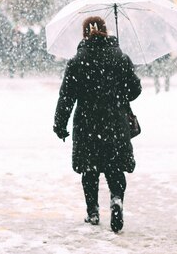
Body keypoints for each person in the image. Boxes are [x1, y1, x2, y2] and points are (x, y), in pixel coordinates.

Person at [53, 16, 142, 233]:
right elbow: (135, 90)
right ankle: (116, 199)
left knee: (90, 169)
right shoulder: (119, 57)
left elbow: (67, 96)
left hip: (87, 123)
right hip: (114, 122)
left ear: (84, 34)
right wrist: (119, 91)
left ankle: (92, 211)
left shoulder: (76, 61)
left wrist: (60, 124)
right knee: (114, 167)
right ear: (106, 31)